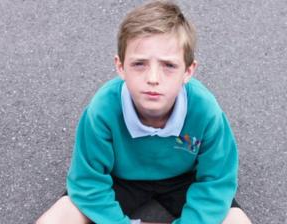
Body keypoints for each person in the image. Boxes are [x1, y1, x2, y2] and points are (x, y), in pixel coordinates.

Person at [36, 1, 252, 223]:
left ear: (188, 71)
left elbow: (216, 181)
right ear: (121, 67)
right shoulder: (102, 110)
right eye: (139, 64)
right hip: (120, 179)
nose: (153, 78)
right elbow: (87, 182)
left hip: (184, 180)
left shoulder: (206, 111)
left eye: (169, 66)